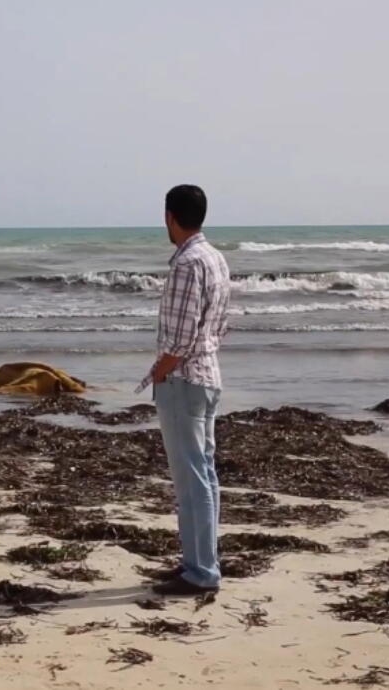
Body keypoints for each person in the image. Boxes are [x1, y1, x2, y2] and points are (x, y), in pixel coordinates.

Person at [135, 184, 231, 595]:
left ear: (170, 217)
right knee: (203, 475)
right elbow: (217, 324)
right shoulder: (215, 258)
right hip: (207, 376)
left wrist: (160, 372)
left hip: (184, 380)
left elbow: (180, 337)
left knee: (192, 478)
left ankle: (201, 571)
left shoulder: (187, 264)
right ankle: (198, 563)